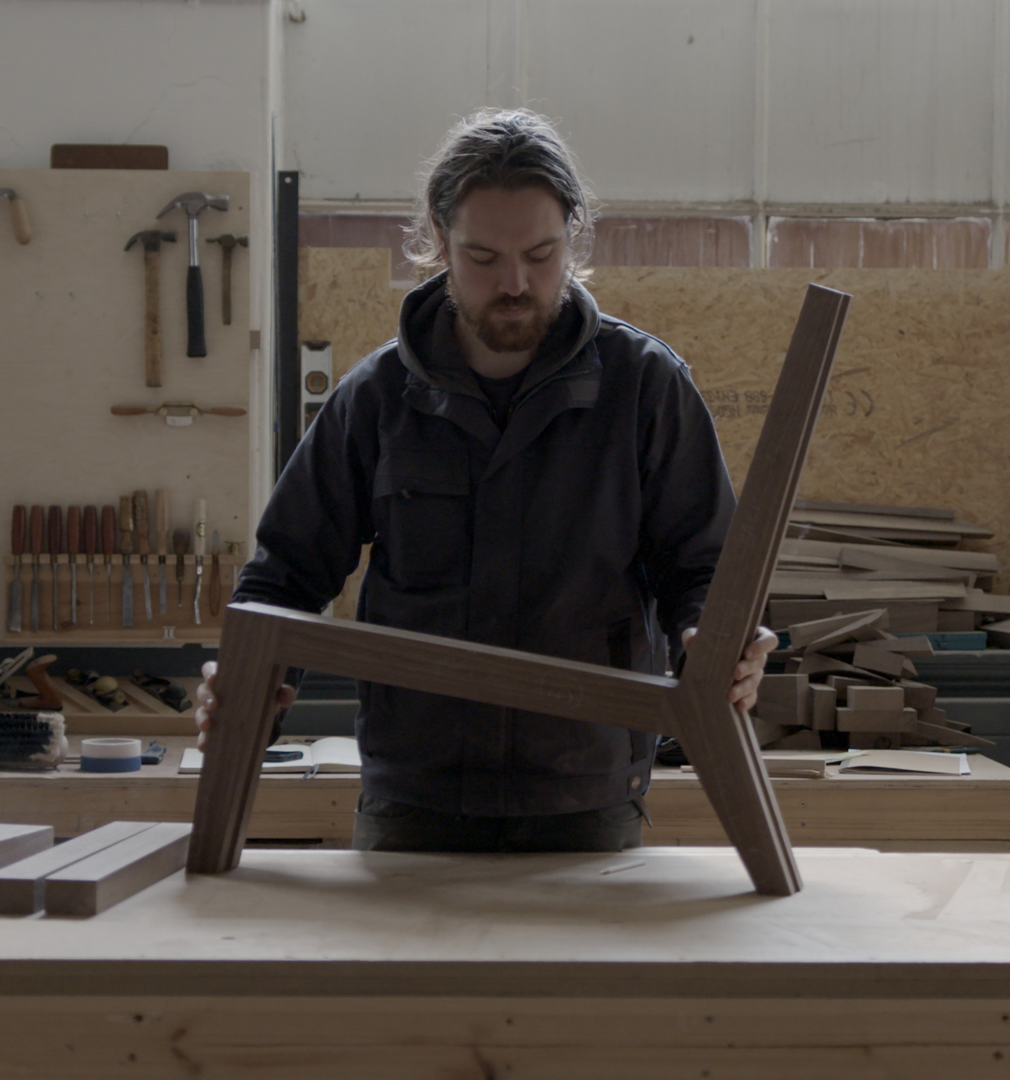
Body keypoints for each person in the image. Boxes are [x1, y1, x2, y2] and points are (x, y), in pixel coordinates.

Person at [197, 108, 777, 853]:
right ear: (436, 241)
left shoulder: (644, 388)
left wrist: (716, 638)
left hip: (584, 791)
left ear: (574, 235)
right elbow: (285, 577)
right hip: (415, 795)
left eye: (541, 254)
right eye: (482, 256)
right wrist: (246, 680)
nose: (514, 283)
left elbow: (703, 566)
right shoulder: (376, 399)